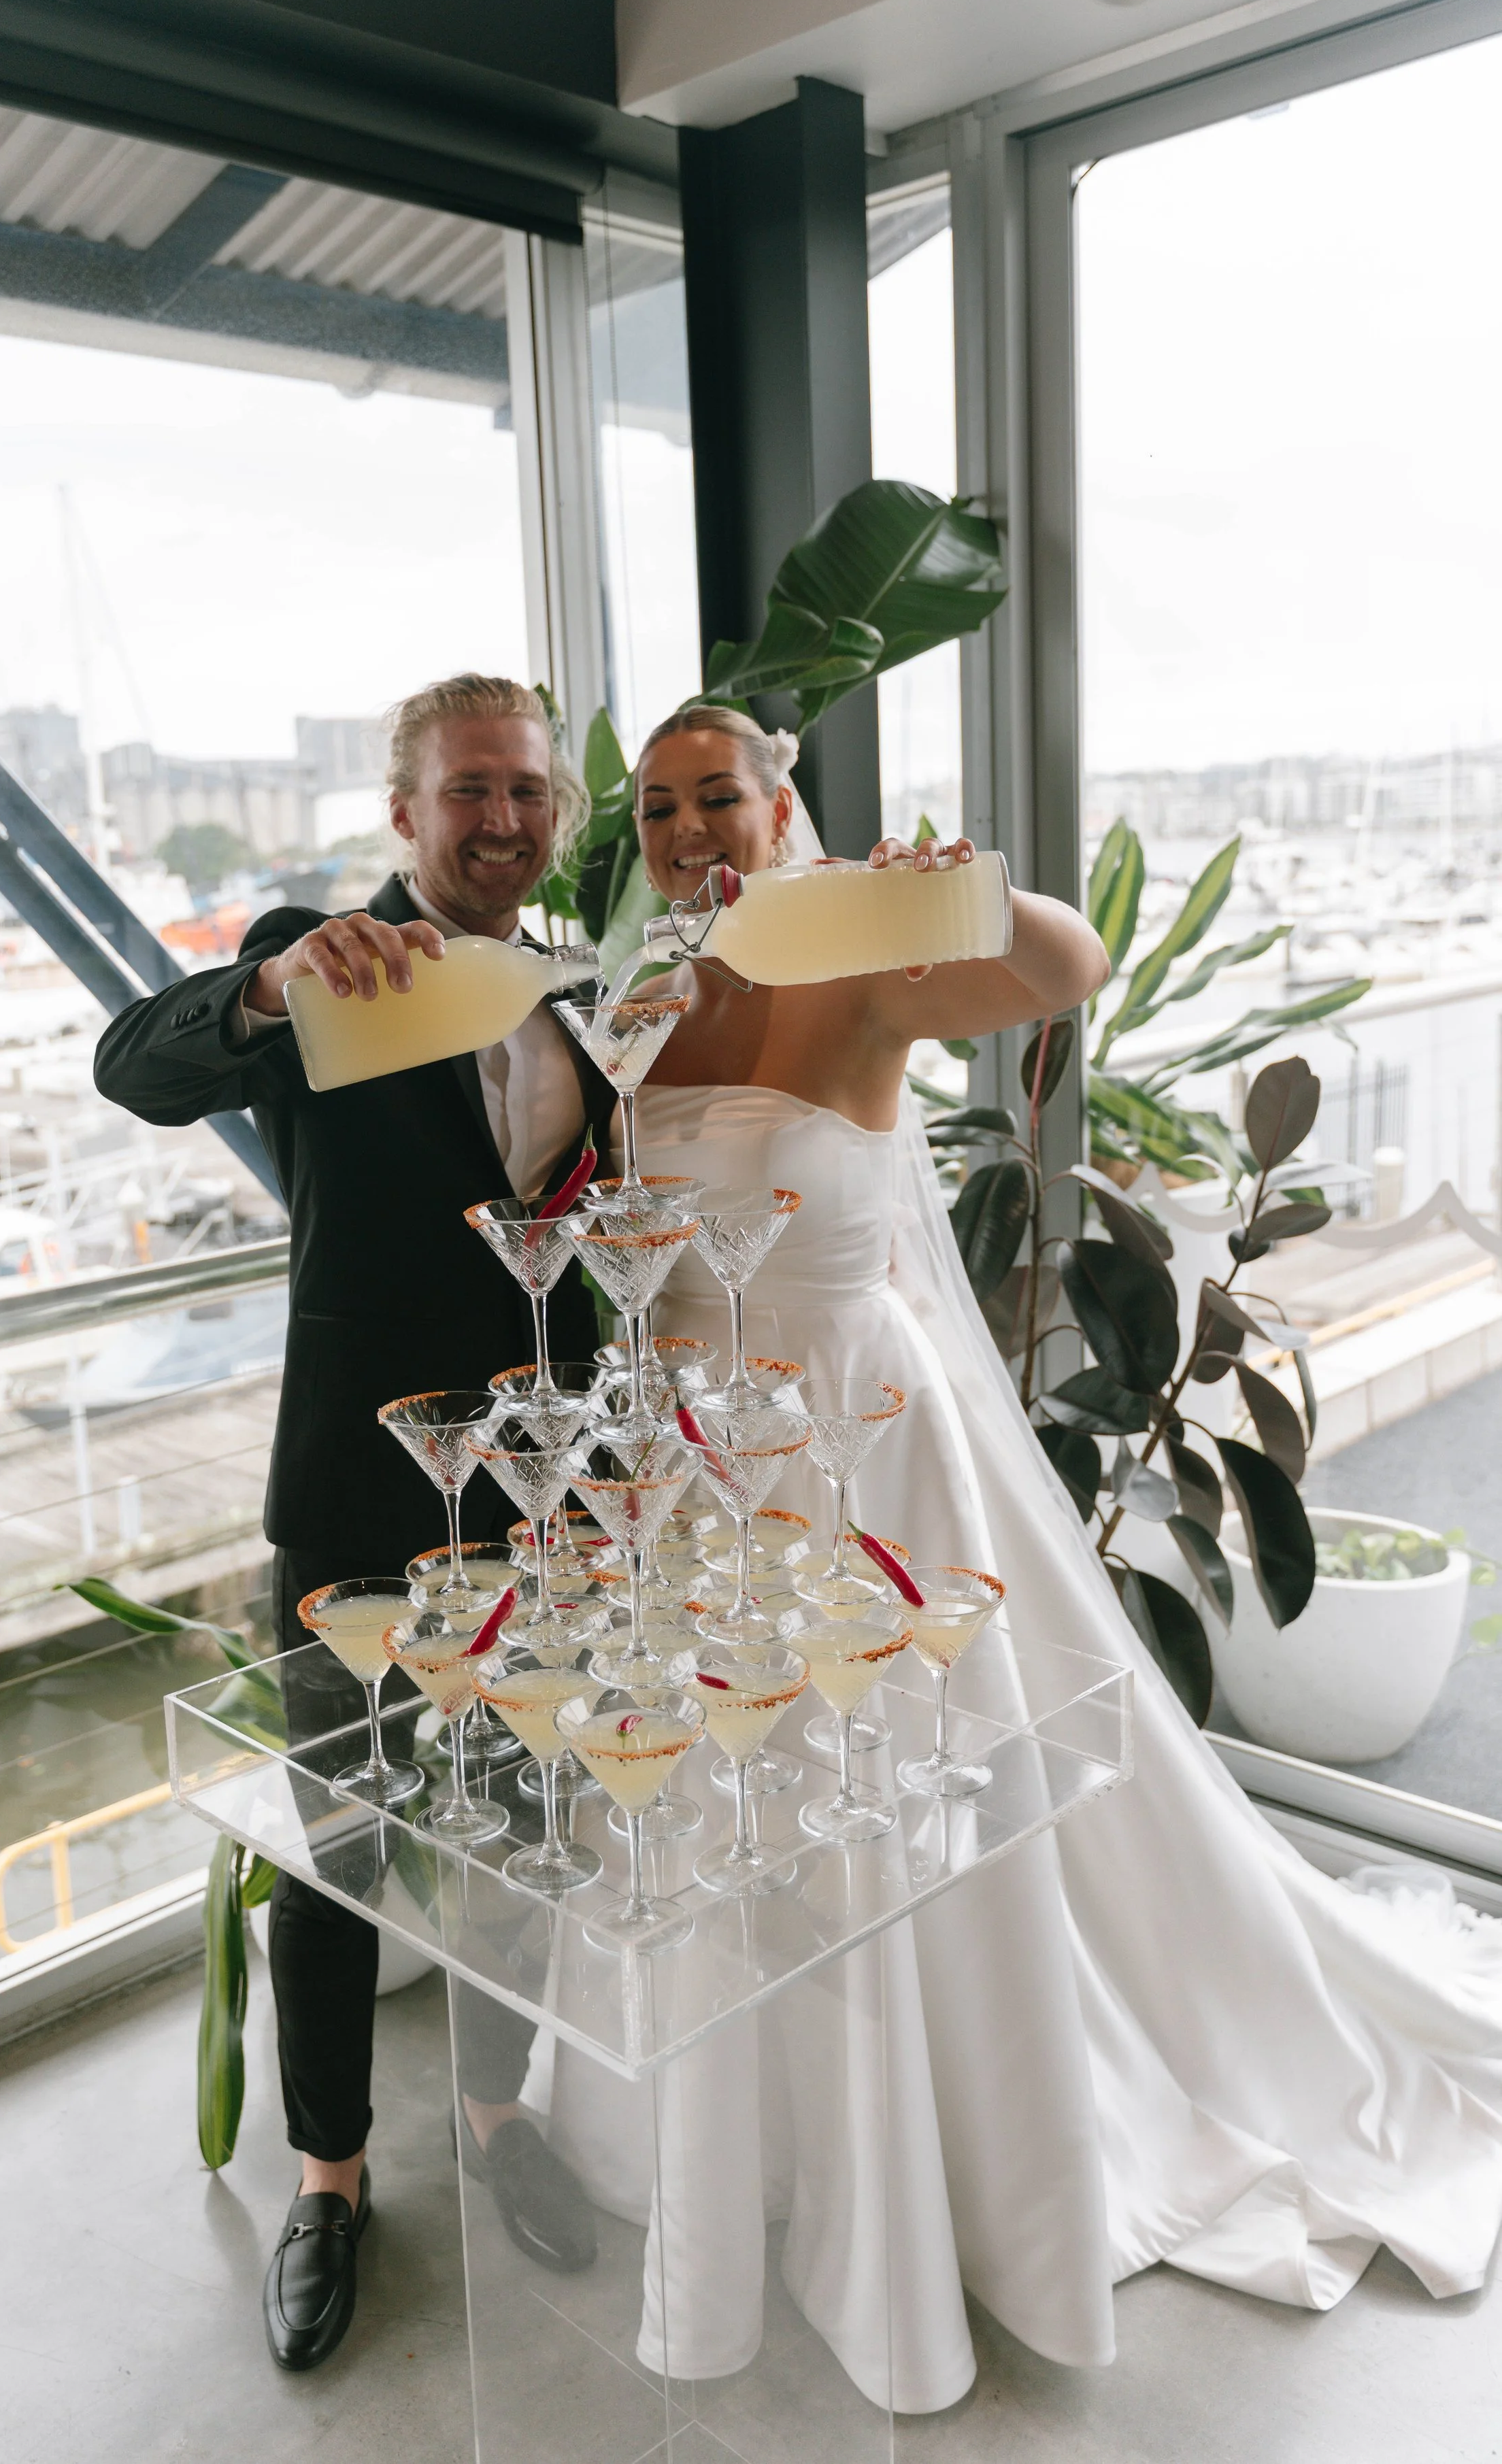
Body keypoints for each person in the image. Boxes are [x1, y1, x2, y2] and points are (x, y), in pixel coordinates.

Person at [532, 704, 1502, 2408]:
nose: (689, 830)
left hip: (859, 1445)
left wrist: (941, 889)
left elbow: (1064, 961)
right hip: (690, 1465)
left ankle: (941, 2155)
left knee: (879, 1789)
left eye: (720, 799)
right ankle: (726, 2138)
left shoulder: (865, 961)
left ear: (784, 809)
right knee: (708, 1792)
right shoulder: (650, 1001)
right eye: (662, 807)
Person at [93, 675, 618, 2372]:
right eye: (469, 789)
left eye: (527, 789)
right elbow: (132, 1064)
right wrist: (264, 986)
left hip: (540, 1508)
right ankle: (329, 2183)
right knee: (340, 1857)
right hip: (356, 1502)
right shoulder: (329, 965)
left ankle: (490, 2114)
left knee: (522, 1826)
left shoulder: (582, 987)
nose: (502, 818)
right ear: (405, 813)